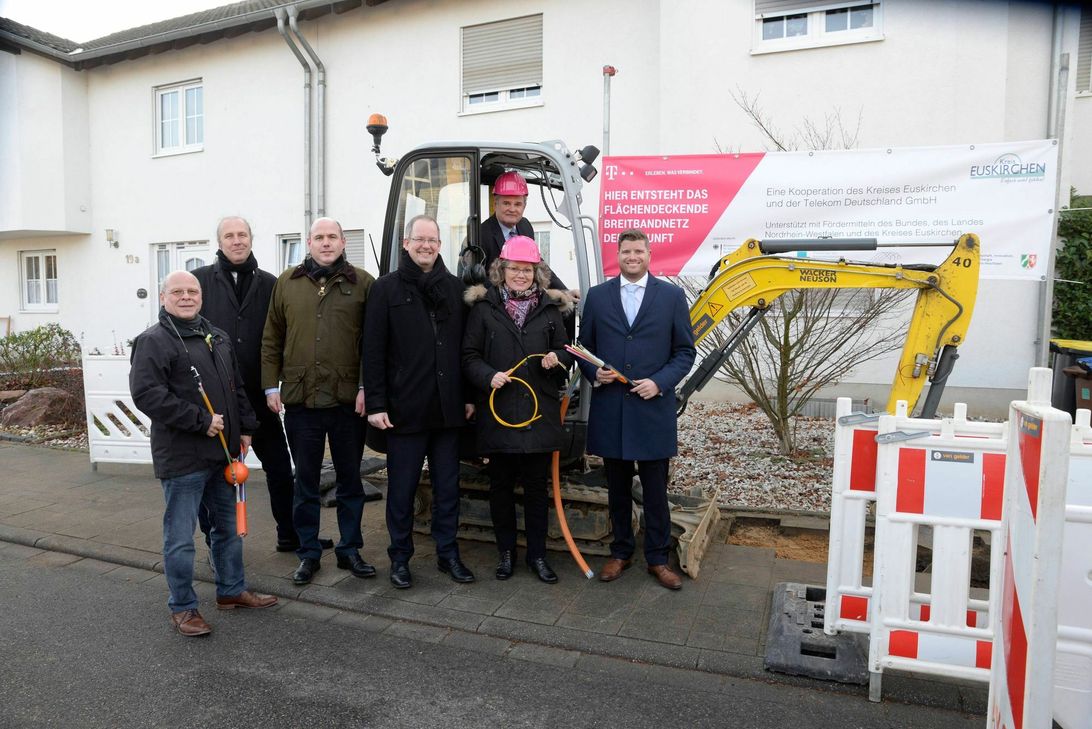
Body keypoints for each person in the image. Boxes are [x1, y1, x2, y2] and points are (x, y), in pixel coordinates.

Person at [130, 270, 277, 637]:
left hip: (223, 453)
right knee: (180, 536)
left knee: (226, 528)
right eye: (176, 291)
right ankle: (182, 607)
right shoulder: (153, 341)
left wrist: (245, 427)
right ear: (163, 298)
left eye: (191, 291)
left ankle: (231, 591)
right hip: (182, 457)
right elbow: (147, 395)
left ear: (201, 296)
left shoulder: (217, 336)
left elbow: (235, 386)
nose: (185, 296)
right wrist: (199, 420)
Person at [192, 217, 327, 553]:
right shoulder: (199, 282)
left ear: (251, 239)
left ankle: (290, 535)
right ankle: (215, 542)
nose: (236, 241)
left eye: (242, 235)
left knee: (280, 469)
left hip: (259, 395)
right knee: (214, 476)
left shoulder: (272, 283)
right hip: (217, 400)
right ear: (219, 242)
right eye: (229, 236)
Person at [576, 229, 696, 590]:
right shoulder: (597, 298)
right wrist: (594, 371)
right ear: (618, 254)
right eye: (626, 251)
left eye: (638, 251)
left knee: (656, 490)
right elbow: (584, 347)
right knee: (616, 488)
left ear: (648, 254)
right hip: (612, 410)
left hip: (652, 410)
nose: (632, 256)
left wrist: (659, 382)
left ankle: (658, 559)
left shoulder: (672, 296)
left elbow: (684, 352)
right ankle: (621, 552)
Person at [261, 217, 375, 586]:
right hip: (301, 400)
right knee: (305, 481)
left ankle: (350, 549)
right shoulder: (287, 283)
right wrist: (270, 387)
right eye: (318, 237)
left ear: (343, 242)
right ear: (308, 243)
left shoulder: (363, 284)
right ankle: (308, 552)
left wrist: (365, 386)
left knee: (349, 481)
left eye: (332, 237)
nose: (326, 243)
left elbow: (374, 345)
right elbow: (271, 340)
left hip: (347, 401)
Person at [363, 215, 475, 589]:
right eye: (419, 239)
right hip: (404, 410)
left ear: (440, 245)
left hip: (448, 409)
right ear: (406, 243)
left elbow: (466, 351)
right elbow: (373, 351)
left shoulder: (456, 289)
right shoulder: (386, 290)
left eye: (433, 240)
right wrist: (376, 404)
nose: (426, 246)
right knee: (402, 489)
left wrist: (470, 398)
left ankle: (448, 554)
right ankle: (400, 558)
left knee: (448, 488)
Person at [462, 235, 574, 583]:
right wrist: (489, 375)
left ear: (537, 273)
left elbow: (567, 351)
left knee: (537, 491)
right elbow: (468, 357)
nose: (521, 276)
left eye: (527, 270)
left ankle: (538, 557)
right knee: (501, 488)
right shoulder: (484, 309)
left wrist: (559, 358)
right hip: (499, 414)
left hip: (539, 413)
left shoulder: (550, 310)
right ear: (502, 270)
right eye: (514, 269)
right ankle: (506, 554)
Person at [473, 171, 575, 298]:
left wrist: (565, 292)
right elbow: (477, 283)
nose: (512, 209)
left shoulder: (525, 226)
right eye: (506, 203)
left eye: (517, 204)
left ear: (524, 206)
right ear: (495, 204)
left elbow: (539, 266)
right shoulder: (481, 235)